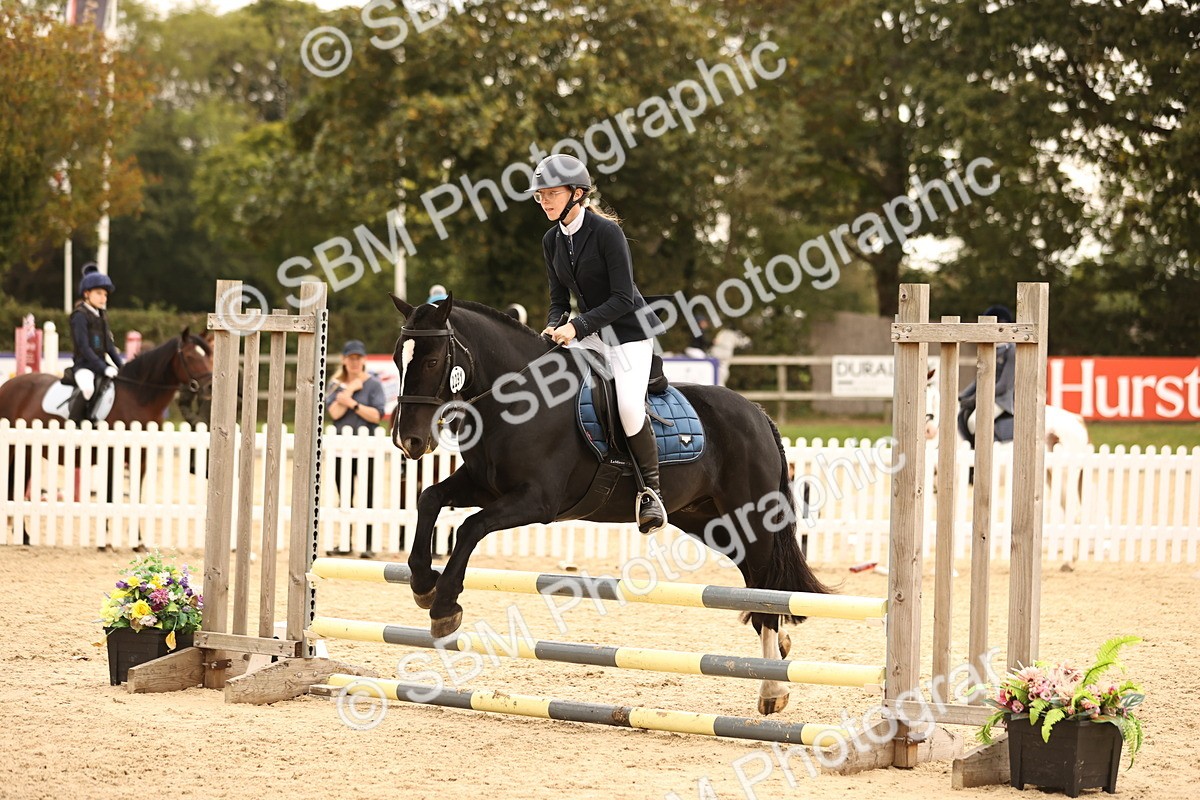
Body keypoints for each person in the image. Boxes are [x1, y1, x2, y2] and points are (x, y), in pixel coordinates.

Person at [531, 153, 667, 533]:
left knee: (627, 407)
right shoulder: (551, 240)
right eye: (540, 195)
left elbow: (623, 298)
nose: (545, 201)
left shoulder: (607, 233)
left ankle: (651, 494)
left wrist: (577, 326)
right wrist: (552, 328)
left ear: (577, 193)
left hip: (629, 334)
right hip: (590, 333)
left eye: (552, 194)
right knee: (549, 379)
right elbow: (558, 301)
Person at [325, 340, 387, 557]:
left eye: (358, 358)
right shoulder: (336, 384)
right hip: (342, 450)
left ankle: (368, 545)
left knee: (368, 496)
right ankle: (344, 543)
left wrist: (351, 402)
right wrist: (350, 389)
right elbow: (334, 413)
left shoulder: (374, 384)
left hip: (367, 450)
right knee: (344, 496)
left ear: (363, 360)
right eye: (350, 358)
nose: (354, 362)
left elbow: (376, 415)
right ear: (344, 360)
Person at [68, 263, 123, 423]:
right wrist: (103, 367)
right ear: (87, 294)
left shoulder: (102, 315)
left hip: (100, 364)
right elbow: (84, 347)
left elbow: (109, 347)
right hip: (83, 366)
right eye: (99, 293)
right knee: (88, 389)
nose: (103, 298)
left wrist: (122, 367)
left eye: (105, 295)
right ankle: (74, 424)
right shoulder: (79, 316)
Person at [957, 304, 1016, 447]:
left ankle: (991, 446)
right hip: (986, 395)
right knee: (962, 415)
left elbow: (1004, 385)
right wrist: (962, 396)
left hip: (1001, 399)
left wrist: (977, 398)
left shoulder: (1011, 350)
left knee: (974, 421)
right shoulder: (989, 350)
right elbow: (979, 379)